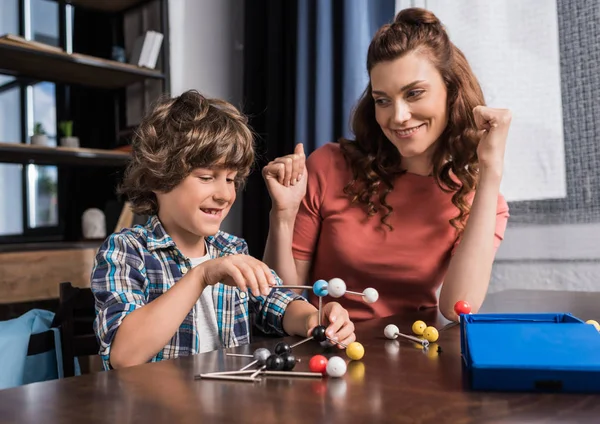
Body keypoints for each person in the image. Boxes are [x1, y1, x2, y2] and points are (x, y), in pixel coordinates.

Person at [262, 8, 511, 322]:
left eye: (415, 93)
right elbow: (283, 298)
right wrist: (282, 216)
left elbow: (459, 307)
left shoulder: (483, 203)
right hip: (324, 347)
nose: (398, 116)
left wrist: (491, 170)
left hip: (412, 356)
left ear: (452, 92)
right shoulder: (329, 165)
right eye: (383, 100)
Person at [90, 90, 356, 370]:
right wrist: (201, 275)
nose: (224, 194)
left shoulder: (232, 249)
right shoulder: (125, 251)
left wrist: (315, 319)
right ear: (158, 177)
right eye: (206, 177)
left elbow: (277, 303)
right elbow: (124, 355)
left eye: (230, 179)